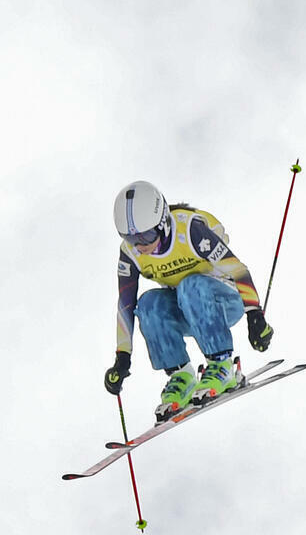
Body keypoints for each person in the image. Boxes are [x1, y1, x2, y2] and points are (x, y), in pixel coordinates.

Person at [105, 180, 274, 422]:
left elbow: (238, 270)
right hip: (188, 309)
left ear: (162, 222)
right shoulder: (130, 253)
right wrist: (122, 357)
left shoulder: (189, 231)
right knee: (148, 303)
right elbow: (125, 305)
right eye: (131, 239)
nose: (141, 246)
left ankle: (221, 364)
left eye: (147, 235)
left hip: (224, 301)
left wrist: (255, 315)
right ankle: (181, 375)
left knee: (190, 285)